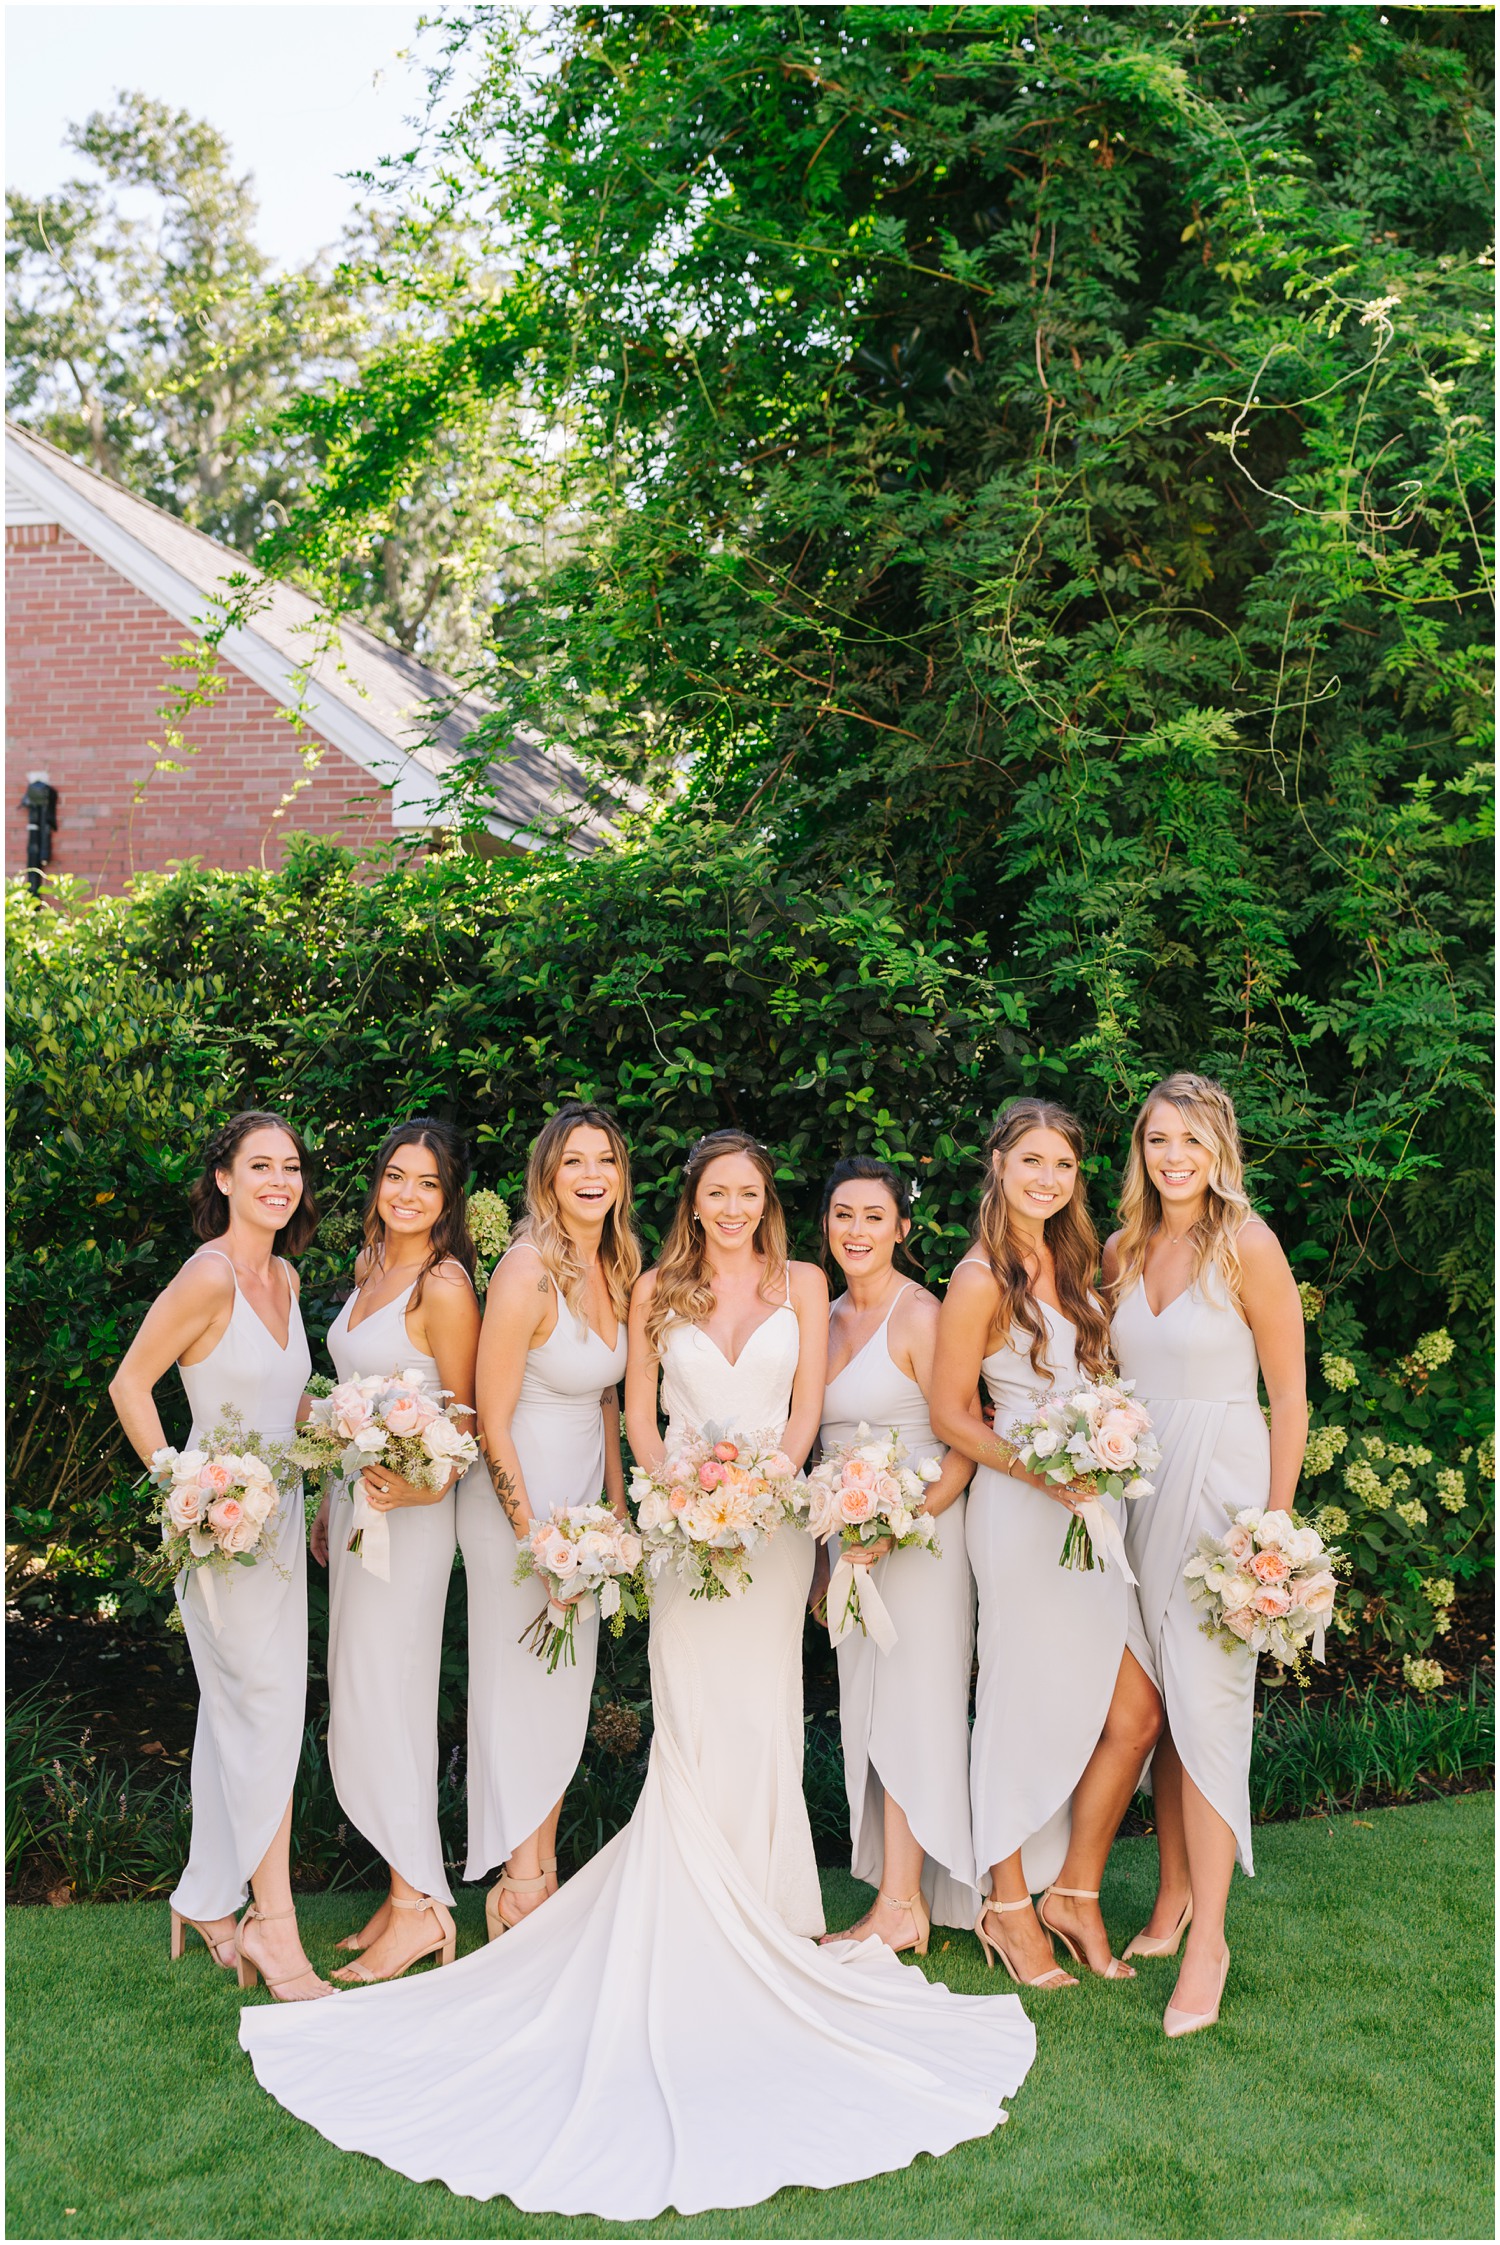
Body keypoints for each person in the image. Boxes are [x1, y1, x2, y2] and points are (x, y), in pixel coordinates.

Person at [239, 1128, 1035, 2219]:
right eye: (716, 1193)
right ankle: (672, 1898)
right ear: (692, 1201)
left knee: (766, 1704)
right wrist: (678, 1495)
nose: (733, 1208)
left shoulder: (803, 1277)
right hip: (682, 1527)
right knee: (693, 1711)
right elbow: (637, 1413)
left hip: (771, 1524)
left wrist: (760, 1485)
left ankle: (769, 1900)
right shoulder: (655, 1282)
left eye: (750, 1192)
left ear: (767, 1201)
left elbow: (804, 1406)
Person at [930, 1100, 1156, 1990]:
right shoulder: (978, 1277)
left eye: (1063, 1165)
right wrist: (1038, 1470)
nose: (1048, 1179)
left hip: (1092, 1509)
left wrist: (1109, 1442)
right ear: (998, 1163)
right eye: (1032, 1160)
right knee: (1018, 1702)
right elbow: (953, 1411)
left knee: (1135, 1714)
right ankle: (1009, 1901)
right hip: (1023, 1510)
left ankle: (1078, 1889)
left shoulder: (1082, 1265)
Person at [109, 1111, 327, 2002]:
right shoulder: (209, 1275)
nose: (280, 1179)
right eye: (260, 1165)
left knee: (239, 1708)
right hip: (222, 1525)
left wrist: (353, 1444)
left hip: (283, 1519)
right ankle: (273, 1927)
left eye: (291, 1167)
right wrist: (184, 1488)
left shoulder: (286, 1273)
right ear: (226, 1179)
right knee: (265, 1707)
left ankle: (205, 1897)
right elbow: (131, 1381)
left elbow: (287, 1401)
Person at [1106, 1073, 1306, 2037]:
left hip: (1221, 1501)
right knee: (1164, 1705)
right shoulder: (1122, 1248)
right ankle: (1169, 1897)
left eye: (1190, 1139)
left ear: (1220, 1148)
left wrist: (1273, 1533)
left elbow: (1290, 1400)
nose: (1172, 1157)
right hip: (1136, 1495)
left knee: (1213, 1712)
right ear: (1140, 1151)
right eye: (1156, 1140)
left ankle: (1210, 1942)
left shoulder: (1249, 1245)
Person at [311, 1119, 481, 1984]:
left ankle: (419, 1908)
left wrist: (424, 1487)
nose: (407, 1193)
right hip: (355, 1506)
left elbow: (466, 1415)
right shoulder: (370, 1268)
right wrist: (329, 1495)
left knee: (392, 1695)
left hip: (410, 1518)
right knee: (365, 1692)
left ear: (448, 1200)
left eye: (426, 1183)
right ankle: (399, 1887)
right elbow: (347, 1394)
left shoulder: (443, 1285)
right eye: (394, 1177)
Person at [461, 1102, 636, 1935]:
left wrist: (614, 1515)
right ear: (548, 1175)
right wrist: (535, 1539)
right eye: (574, 1161)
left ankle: (540, 1866)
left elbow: (606, 1398)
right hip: (515, 1508)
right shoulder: (525, 1271)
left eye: (605, 1159)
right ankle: (521, 1885)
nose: (592, 1174)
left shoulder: (621, 1268)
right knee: (519, 1688)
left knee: (563, 1694)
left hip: (582, 1517)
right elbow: (490, 1418)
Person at [814, 1155, 979, 1950]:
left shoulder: (923, 1314)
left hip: (919, 1542)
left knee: (912, 1711)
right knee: (869, 1717)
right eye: (844, 1214)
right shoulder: (825, 1314)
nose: (857, 1230)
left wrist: (897, 1524)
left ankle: (903, 1905)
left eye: (874, 1216)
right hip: (851, 1548)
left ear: (901, 1229)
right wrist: (832, 1557)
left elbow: (964, 1447)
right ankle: (895, 1899)